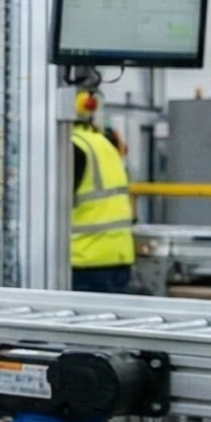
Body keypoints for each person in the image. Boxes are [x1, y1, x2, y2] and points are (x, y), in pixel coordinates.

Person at [70, 91, 135, 294]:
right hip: (118, 257)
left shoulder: (72, 147)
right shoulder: (103, 144)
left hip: (84, 262)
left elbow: (49, 205)